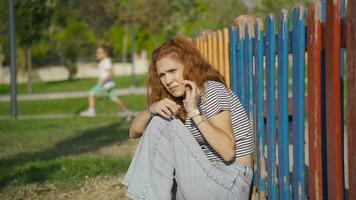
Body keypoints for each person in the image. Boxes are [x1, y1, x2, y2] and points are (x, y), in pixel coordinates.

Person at [123, 37, 254, 200]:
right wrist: (151, 109)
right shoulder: (179, 100)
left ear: (188, 66)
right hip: (204, 179)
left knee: (162, 122)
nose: (168, 80)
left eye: (172, 71)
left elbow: (228, 152)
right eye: (162, 75)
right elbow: (133, 132)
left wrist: (194, 112)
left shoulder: (211, 91)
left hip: (229, 185)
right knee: (158, 118)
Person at [80, 45, 132, 120]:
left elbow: (110, 72)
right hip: (109, 84)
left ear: (105, 54)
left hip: (105, 84)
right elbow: (101, 68)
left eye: (98, 52)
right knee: (115, 99)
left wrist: (102, 80)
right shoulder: (104, 61)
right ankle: (127, 112)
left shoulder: (106, 61)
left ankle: (91, 111)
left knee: (91, 93)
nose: (96, 54)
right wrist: (94, 66)